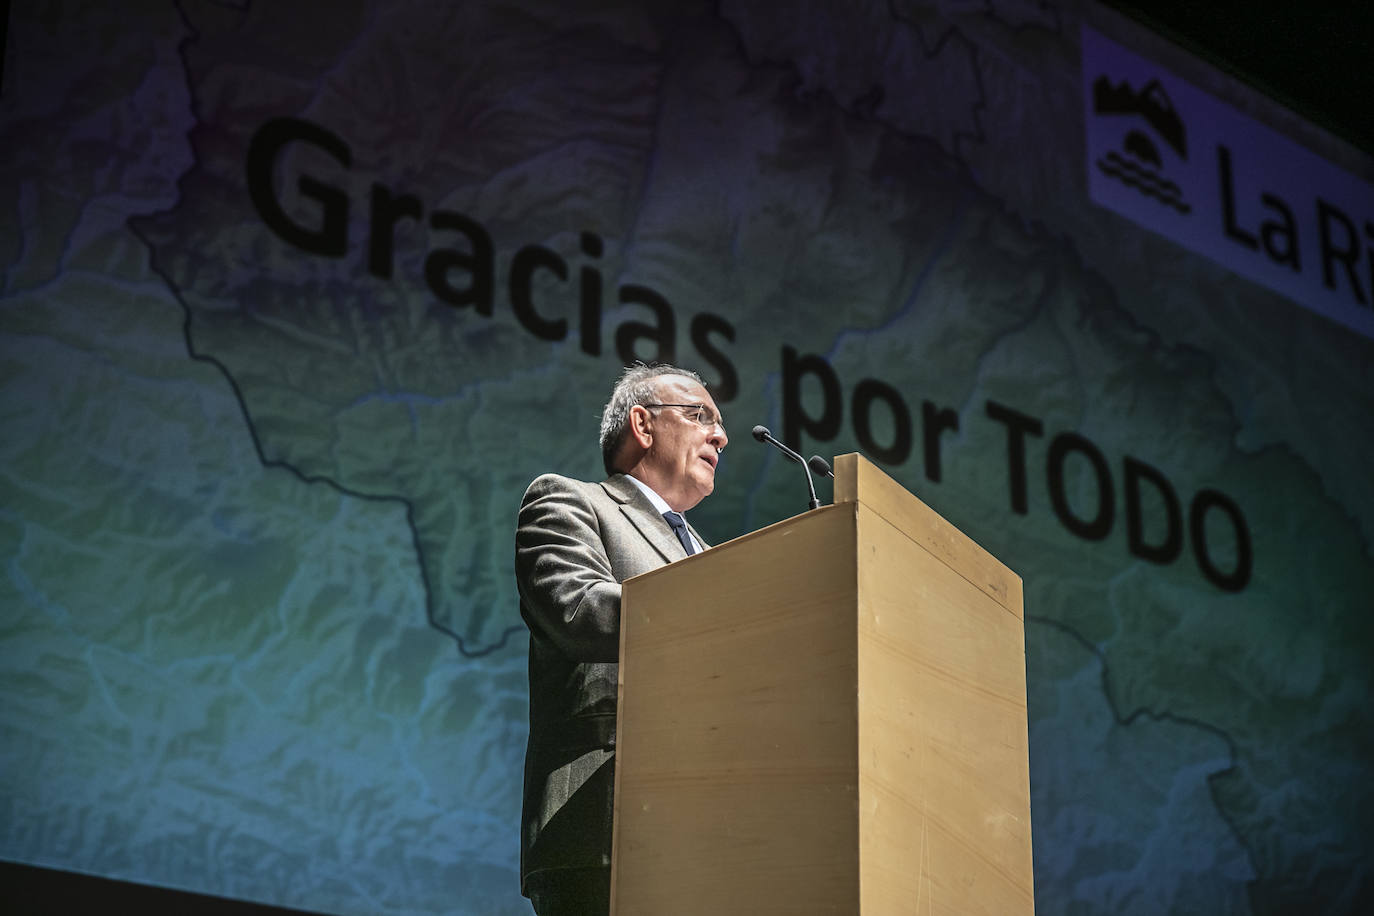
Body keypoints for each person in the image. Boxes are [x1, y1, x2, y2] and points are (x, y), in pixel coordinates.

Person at [515, 363, 729, 915]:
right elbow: (575, 610)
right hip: (602, 821)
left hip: (714, 831)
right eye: (700, 415)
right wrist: (723, 612)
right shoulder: (571, 502)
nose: (721, 436)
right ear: (643, 423)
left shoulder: (716, 558)